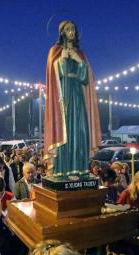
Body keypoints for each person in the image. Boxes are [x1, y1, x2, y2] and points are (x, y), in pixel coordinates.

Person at [44, 20, 101, 178]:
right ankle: (62, 170)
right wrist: (61, 59)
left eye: (73, 29)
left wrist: (78, 60)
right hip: (62, 95)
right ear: (62, 32)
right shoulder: (55, 50)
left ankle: (80, 169)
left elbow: (86, 78)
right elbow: (52, 73)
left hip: (77, 94)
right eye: (68, 29)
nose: (72, 32)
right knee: (64, 131)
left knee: (80, 130)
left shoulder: (80, 53)